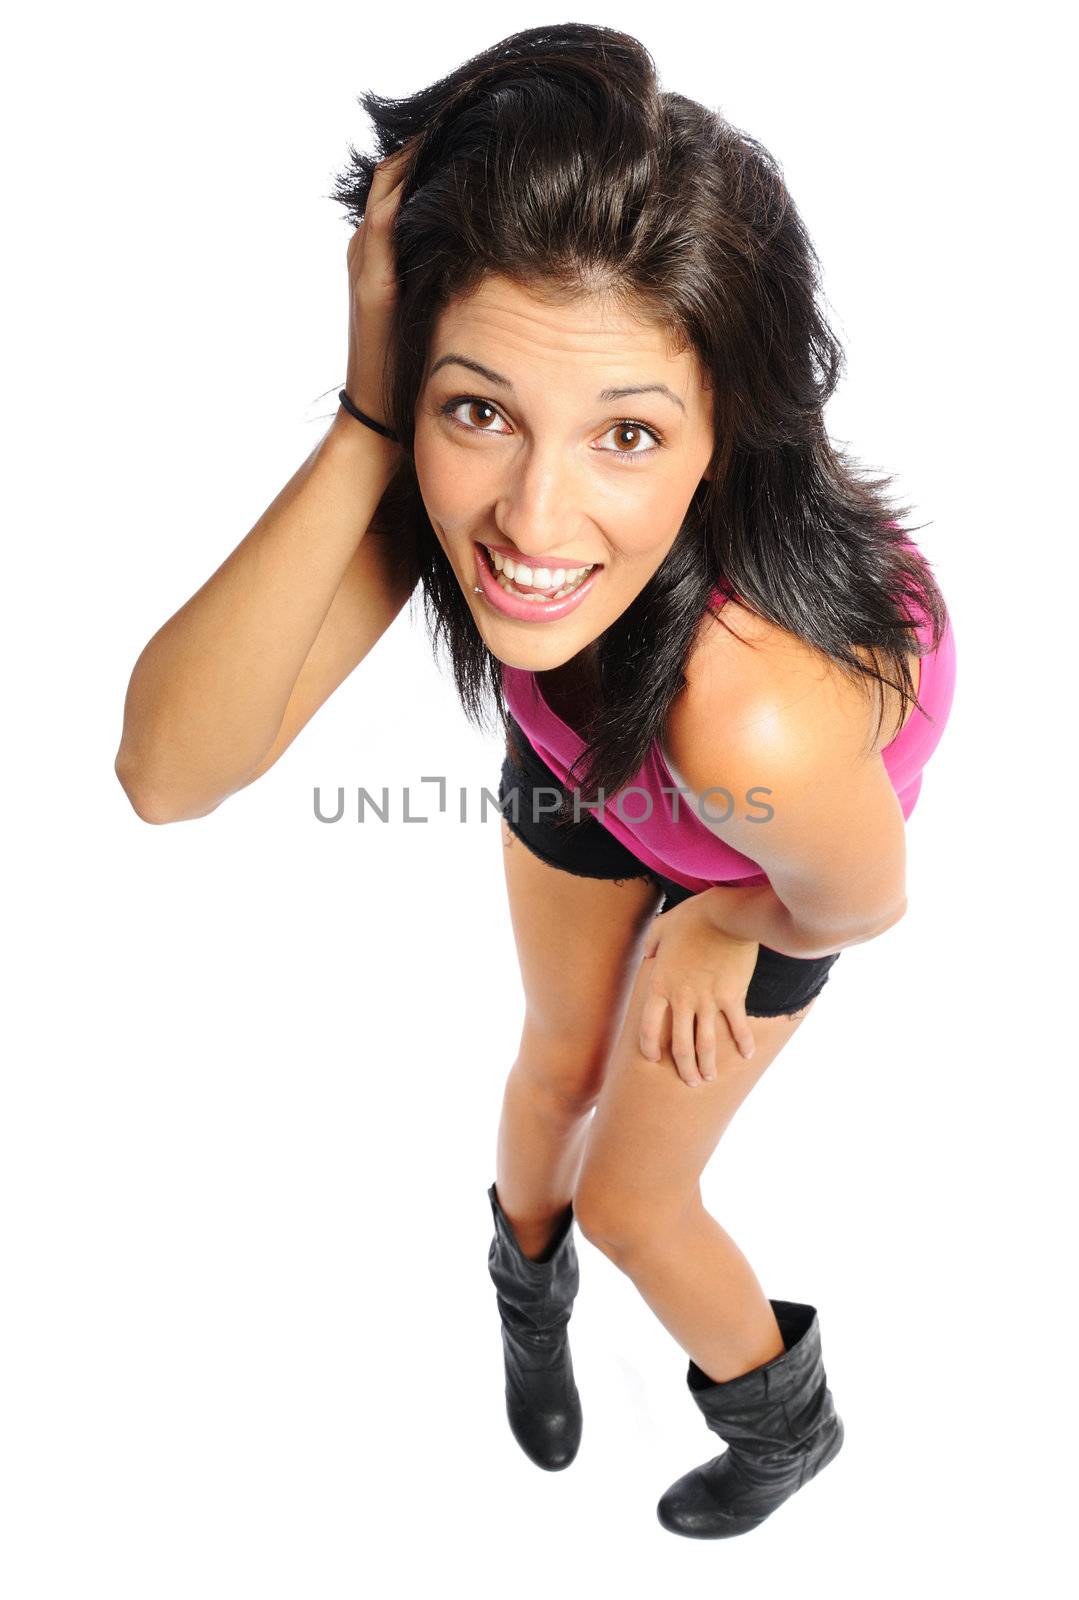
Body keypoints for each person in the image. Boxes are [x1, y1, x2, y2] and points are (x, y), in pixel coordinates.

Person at [115, 23, 957, 1541]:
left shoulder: (749, 712)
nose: (532, 519)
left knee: (639, 1202)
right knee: (555, 1064)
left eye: (627, 433)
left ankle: (785, 1424)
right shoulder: (481, 509)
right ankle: (525, 1290)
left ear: (720, 435)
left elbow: (870, 897)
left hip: (770, 858)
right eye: (480, 409)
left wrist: (727, 916)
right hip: (596, 762)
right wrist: (379, 409)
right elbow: (169, 774)